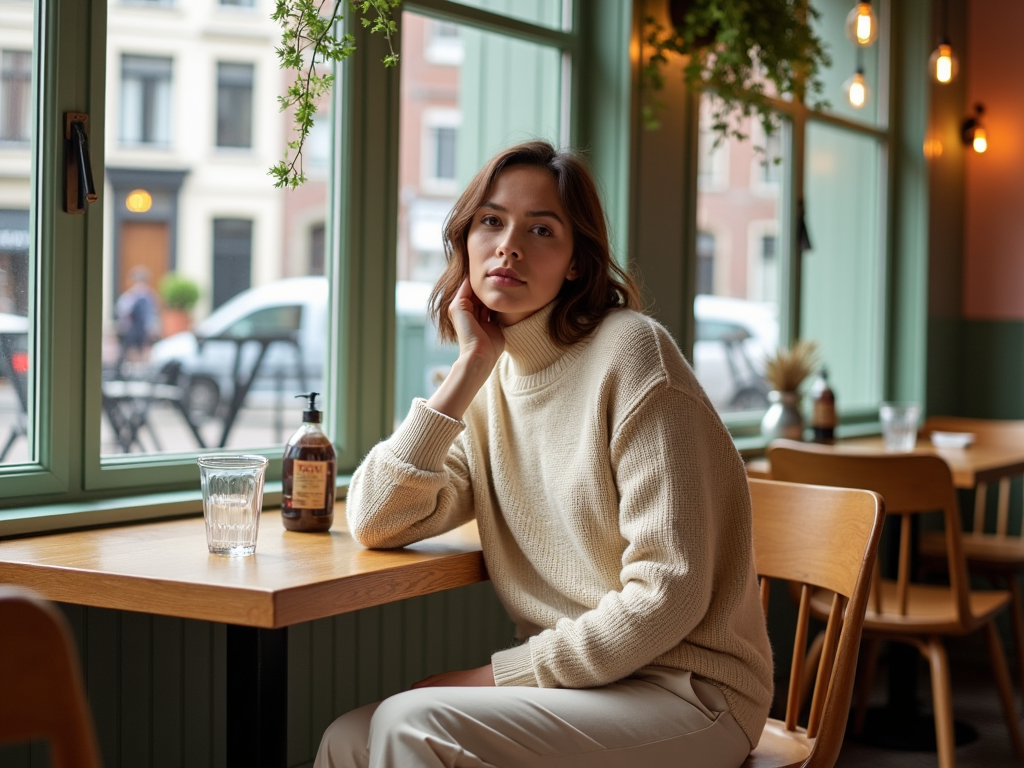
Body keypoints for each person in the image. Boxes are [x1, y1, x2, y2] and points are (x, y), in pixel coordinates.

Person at [315, 141, 773, 768]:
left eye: (541, 229)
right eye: (491, 222)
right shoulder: (490, 383)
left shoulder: (634, 354)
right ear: (466, 241)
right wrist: (469, 368)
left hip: (690, 692)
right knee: (348, 736)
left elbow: (669, 593)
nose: (509, 246)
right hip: (583, 687)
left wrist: (498, 676)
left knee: (411, 725)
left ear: (578, 263)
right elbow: (376, 517)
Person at [116, 266, 159, 369]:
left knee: (143, 347)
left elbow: (152, 313)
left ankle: (141, 368)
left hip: (143, 329)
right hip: (133, 328)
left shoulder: (149, 296)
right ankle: (134, 367)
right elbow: (122, 312)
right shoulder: (130, 296)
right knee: (132, 348)